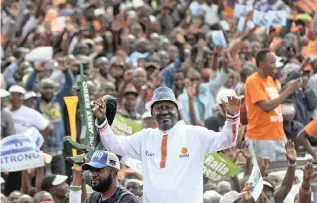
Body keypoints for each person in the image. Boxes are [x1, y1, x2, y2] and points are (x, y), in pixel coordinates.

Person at [92, 86, 240, 203]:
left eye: (168, 107)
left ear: (177, 111)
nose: (164, 112)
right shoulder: (145, 137)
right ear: (152, 113)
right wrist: (102, 120)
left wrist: (232, 117)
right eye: (159, 108)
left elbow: (226, 140)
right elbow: (115, 146)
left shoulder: (194, 134)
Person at [244, 49, 300, 162]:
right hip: (262, 138)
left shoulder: (270, 80)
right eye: (272, 63)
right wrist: (288, 91)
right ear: (261, 64)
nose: (275, 66)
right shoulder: (252, 81)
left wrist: (286, 88)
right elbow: (266, 107)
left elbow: (274, 100)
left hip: (278, 136)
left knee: (283, 172)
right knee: (266, 175)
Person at [69, 150, 138, 203]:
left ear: (114, 172)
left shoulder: (126, 199)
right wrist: (77, 175)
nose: (93, 174)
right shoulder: (94, 197)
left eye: (99, 170)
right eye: (92, 170)